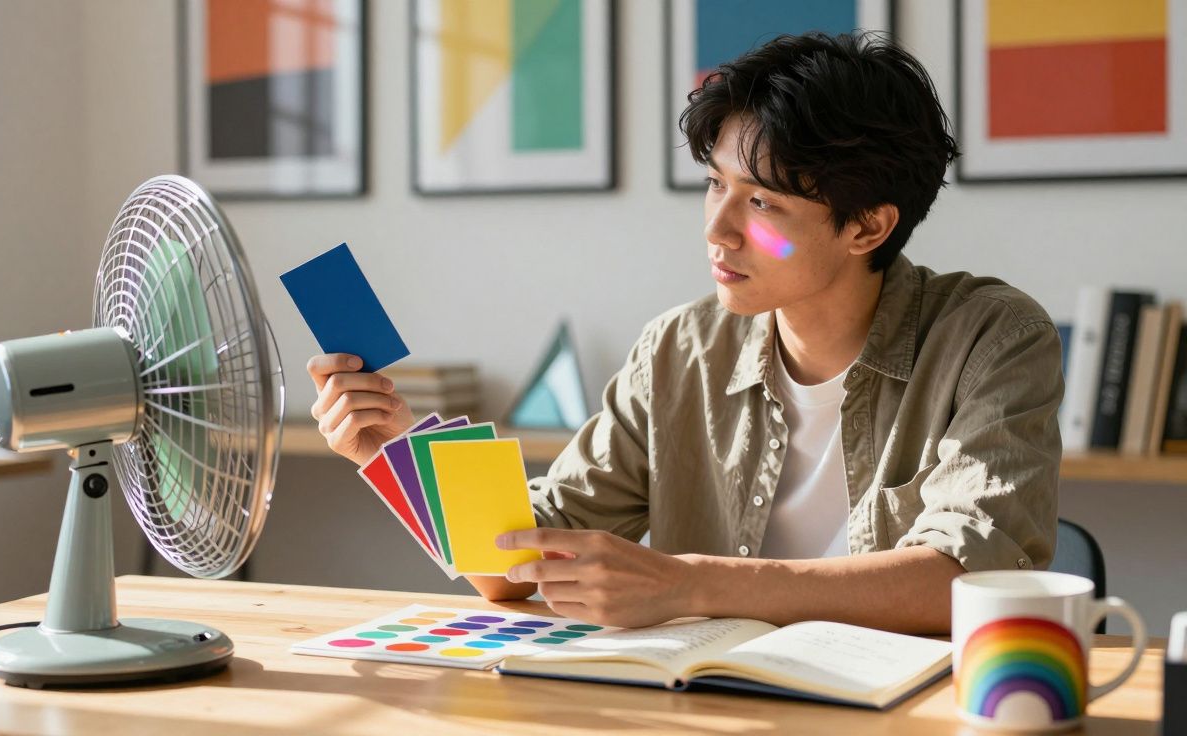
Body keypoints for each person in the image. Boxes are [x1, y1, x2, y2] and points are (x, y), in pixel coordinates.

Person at [306, 33, 1061, 634]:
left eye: (761, 204)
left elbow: (968, 578)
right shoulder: (678, 350)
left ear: (867, 225)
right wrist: (392, 450)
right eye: (714, 184)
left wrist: (686, 584)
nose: (717, 229)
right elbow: (518, 565)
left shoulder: (992, 338)